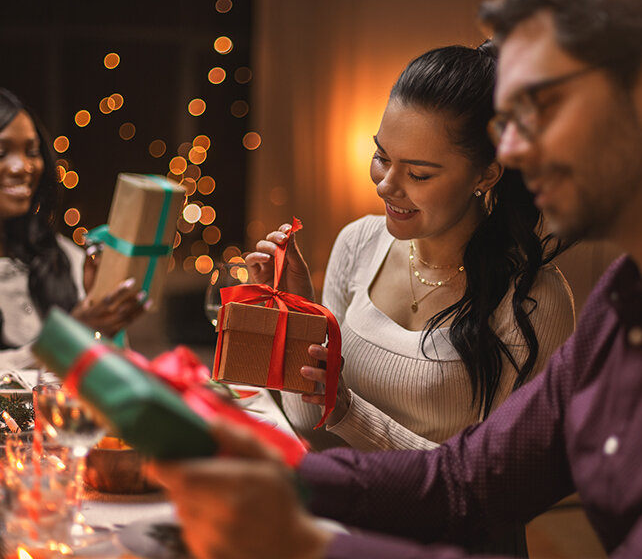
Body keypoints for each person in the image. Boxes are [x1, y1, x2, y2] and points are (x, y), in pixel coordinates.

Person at [152, 0, 642, 558]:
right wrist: (281, 474)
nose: (521, 149)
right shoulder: (625, 297)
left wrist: (298, 540)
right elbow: (468, 480)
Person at [246, 44, 574, 458]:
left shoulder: (533, 301)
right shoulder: (358, 244)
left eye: (418, 173)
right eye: (382, 157)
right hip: (341, 513)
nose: (385, 185)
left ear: (486, 174)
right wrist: (298, 315)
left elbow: (493, 485)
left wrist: (349, 410)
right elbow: (308, 425)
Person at [0, 84, 146, 369]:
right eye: (0, 153)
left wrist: (103, 307)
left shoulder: (69, 257)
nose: (23, 167)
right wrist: (70, 337)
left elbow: (115, 374)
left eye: (32, 151)